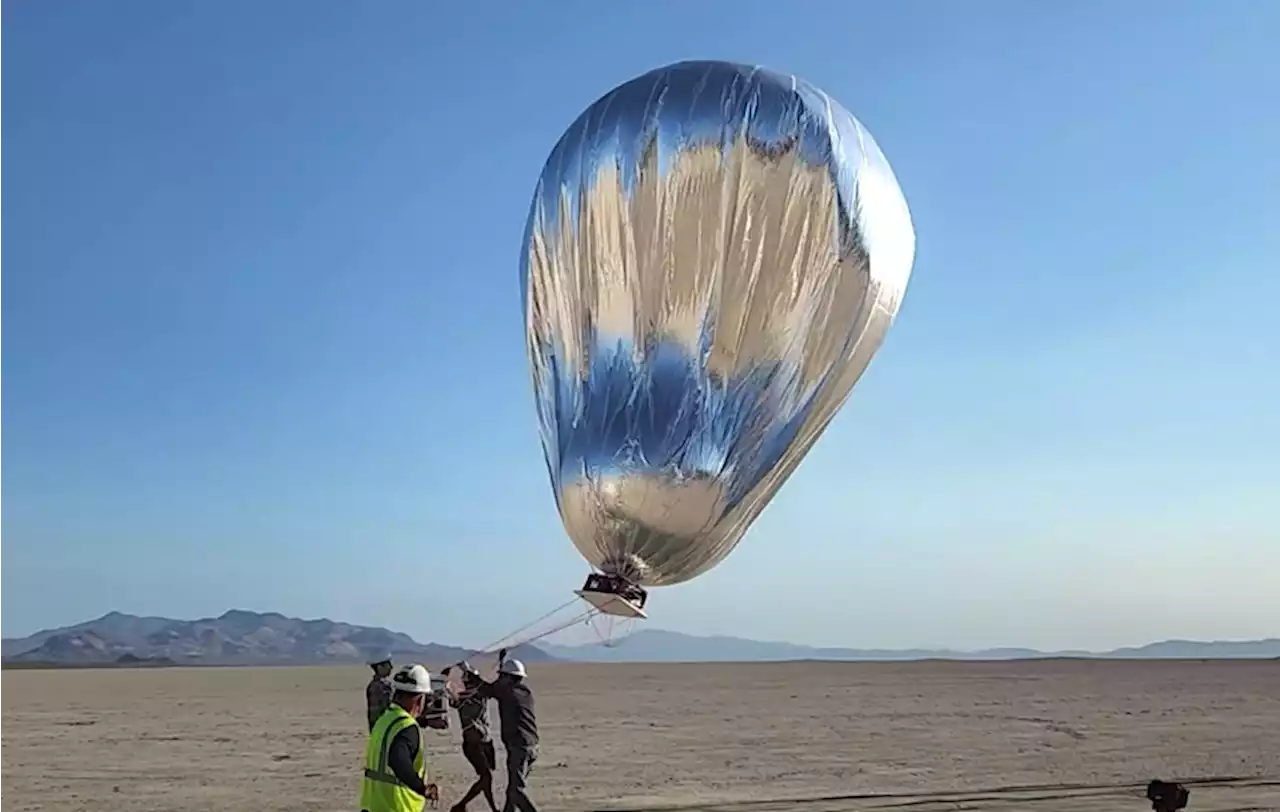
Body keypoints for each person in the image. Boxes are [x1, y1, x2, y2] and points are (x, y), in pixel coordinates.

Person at [360, 663, 438, 812]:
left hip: (371, 805)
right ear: (419, 699)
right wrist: (422, 788)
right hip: (397, 806)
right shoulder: (407, 727)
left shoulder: (384, 720)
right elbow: (397, 760)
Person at [472, 650, 539, 812]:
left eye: (503, 676)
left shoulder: (507, 692)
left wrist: (468, 673)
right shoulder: (525, 692)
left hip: (519, 747)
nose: (500, 678)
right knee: (513, 788)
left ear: (509, 678)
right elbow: (500, 686)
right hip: (532, 746)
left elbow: (486, 689)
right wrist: (502, 662)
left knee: (516, 791)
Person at [442, 662, 498, 812]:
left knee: (486, 778)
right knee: (486, 777)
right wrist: (446, 678)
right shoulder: (463, 698)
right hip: (474, 743)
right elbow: (446, 692)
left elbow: (489, 686)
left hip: (485, 741)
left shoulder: (478, 694)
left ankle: (462, 806)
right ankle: (484, 807)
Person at [367, 654, 394, 732]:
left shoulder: (372, 685)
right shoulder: (383, 687)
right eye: (388, 664)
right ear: (379, 667)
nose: (391, 667)